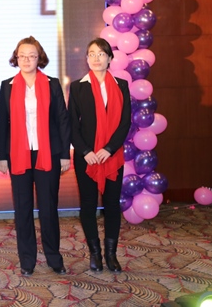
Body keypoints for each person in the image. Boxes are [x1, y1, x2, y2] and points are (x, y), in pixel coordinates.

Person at [0, 36, 71, 277]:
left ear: (40, 58)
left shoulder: (52, 84)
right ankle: (27, 260)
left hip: (48, 152)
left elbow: (62, 121)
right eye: (22, 56)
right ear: (15, 58)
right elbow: (1, 124)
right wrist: (2, 156)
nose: (27, 60)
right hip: (18, 154)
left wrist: (64, 154)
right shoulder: (7, 86)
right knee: (23, 209)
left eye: (32, 56)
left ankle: (54, 258)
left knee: (48, 208)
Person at [68, 37, 131, 273]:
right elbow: (72, 125)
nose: (96, 58)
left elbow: (125, 123)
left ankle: (111, 255)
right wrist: (86, 151)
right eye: (92, 54)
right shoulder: (78, 87)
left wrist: (109, 149)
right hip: (87, 158)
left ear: (110, 58)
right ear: (87, 59)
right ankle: (95, 254)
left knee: (112, 205)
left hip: (112, 157)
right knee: (88, 205)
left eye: (101, 54)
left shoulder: (121, 86)